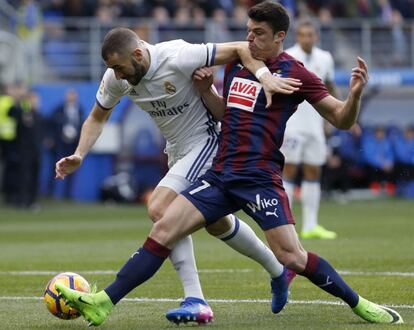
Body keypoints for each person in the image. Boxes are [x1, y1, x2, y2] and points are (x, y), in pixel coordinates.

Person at [56, 2, 403, 326]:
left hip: (259, 177)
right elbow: (229, 115)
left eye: (259, 33)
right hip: (222, 173)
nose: (250, 38)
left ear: (280, 36)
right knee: (162, 226)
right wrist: (208, 92)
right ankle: (103, 302)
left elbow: (341, 119)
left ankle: (359, 303)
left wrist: (354, 95)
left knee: (292, 256)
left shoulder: (298, 75)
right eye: (248, 31)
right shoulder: (239, 65)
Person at [54, 27, 302, 324]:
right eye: (112, 69)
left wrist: (265, 77)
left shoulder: (177, 55)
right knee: (215, 223)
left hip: (207, 141)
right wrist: (80, 154)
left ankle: (195, 298)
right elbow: (97, 116)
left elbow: (240, 48)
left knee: (161, 208)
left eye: (119, 68)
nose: (117, 75)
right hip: (178, 151)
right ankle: (278, 269)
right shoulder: (117, 77)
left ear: (138, 54)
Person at [280, 19, 338, 239]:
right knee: (290, 171)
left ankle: (311, 225)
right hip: (292, 125)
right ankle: (285, 225)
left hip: (315, 125)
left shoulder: (325, 58)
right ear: (297, 36)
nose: (306, 38)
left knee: (314, 171)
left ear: (316, 36)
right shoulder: (288, 57)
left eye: (310, 35)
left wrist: (339, 113)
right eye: (302, 35)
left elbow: (330, 87)